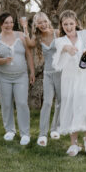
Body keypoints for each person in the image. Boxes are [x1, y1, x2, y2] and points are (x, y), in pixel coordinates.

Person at [52, 10, 86, 157]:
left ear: (76, 23)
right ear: (62, 26)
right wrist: (66, 48)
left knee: (85, 105)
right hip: (69, 78)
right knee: (71, 105)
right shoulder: (60, 40)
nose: (69, 27)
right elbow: (57, 61)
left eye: (71, 23)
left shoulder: (85, 34)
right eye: (65, 24)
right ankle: (73, 144)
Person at [0, 12, 35, 145]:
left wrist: (32, 72)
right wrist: (4, 60)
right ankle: (10, 130)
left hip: (21, 76)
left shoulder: (21, 35)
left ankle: (25, 133)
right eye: (6, 23)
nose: (9, 25)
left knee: (22, 103)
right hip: (2, 77)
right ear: (0, 24)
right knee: (6, 103)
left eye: (11, 22)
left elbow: (28, 54)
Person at [27, 12, 61, 147]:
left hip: (60, 73)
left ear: (48, 21)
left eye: (44, 21)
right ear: (36, 25)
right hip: (48, 74)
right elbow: (28, 44)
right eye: (39, 23)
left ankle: (55, 129)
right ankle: (42, 134)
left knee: (61, 101)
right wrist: (25, 28)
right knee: (47, 102)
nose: (43, 25)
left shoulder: (57, 33)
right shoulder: (38, 37)